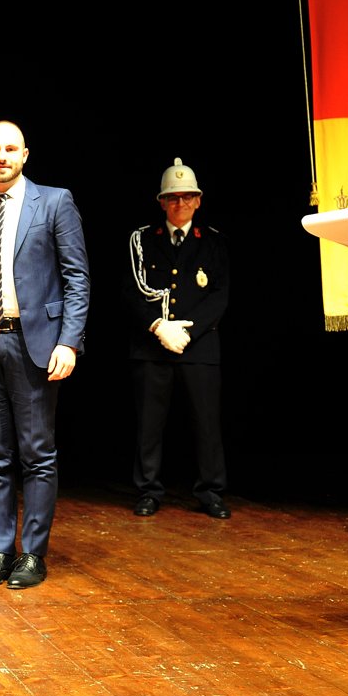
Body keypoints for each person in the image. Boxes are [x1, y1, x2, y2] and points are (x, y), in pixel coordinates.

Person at [0, 120, 89, 591]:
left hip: (34, 345)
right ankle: (1, 550)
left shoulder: (55, 201)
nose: (2, 156)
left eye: (11, 148)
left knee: (37, 454)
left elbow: (77, 278)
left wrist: (68, 341)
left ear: (25, 154)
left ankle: (32, 554)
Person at [128, 157, 229, 520]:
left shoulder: (213, 242)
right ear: (162, 202)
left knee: (206, 424)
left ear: (198, 201)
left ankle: (211, 491)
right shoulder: (142, 240)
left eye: (187, 197)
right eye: (173, 197)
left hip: (198, 346)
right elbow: (131, 291)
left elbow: (219, 295)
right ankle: (148, 490)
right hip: (152, 346)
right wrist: (159, 327)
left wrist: (186, 332)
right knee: (149, 425)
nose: (180, 203)